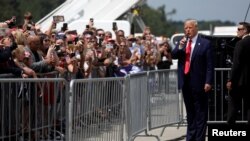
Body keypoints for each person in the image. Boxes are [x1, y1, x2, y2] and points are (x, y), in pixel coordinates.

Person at [172, 19, 214, 141]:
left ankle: (199, 138)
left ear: (196, 28)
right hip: (186, 83)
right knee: (190, 113)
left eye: (190, 28)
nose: (187, 30)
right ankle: (190, 137)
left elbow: (210, 66)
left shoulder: (205, 44)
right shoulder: (183, 43)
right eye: (185, 28)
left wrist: (208, 81)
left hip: (200, 83)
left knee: (200, 113)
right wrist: (180, 46)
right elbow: (174, 55)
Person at [226, 22, 250, 130]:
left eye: (239, 29)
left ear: (245, 30)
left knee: (233, 106)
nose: (237, 31)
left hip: (239, 81)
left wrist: (231, 79)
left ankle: (231, 130)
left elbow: (236, 64)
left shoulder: (240, 44)